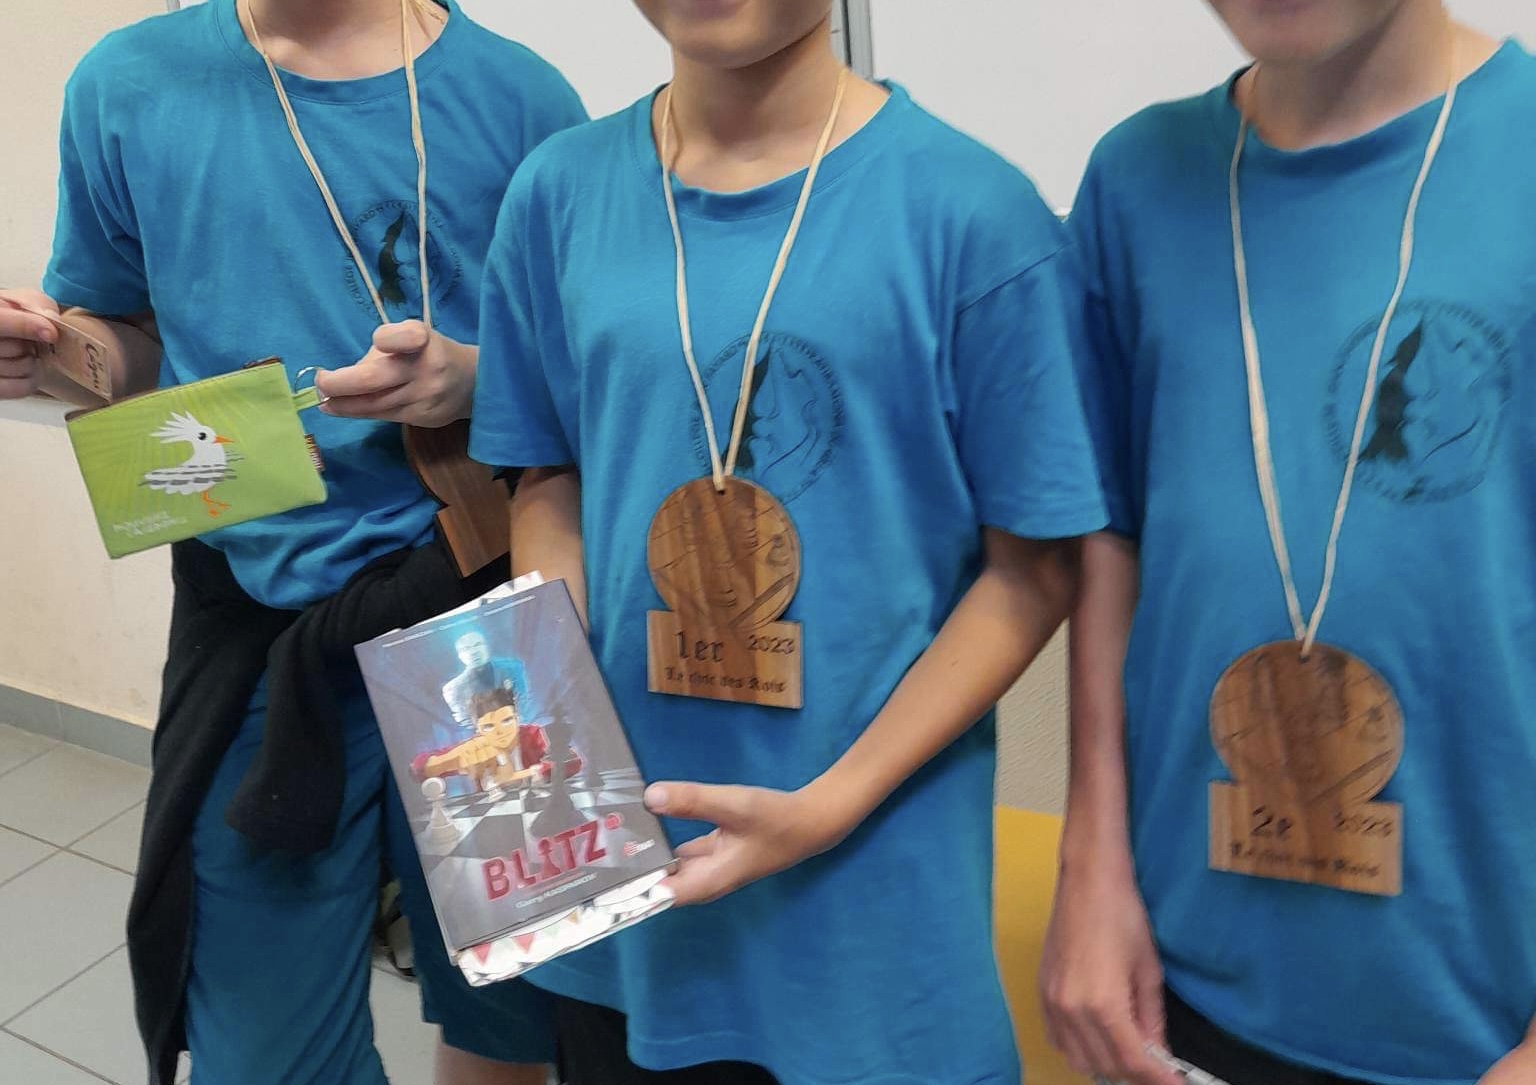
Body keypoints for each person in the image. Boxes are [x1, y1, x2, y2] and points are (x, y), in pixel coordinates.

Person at [469, 1, 1108, 1081]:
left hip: (870, 891)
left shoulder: (974, 214)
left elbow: (1032, 570)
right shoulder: (558, 192)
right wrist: (551, 715)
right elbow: (548, 476)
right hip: (631, 879)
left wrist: (829, 805)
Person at [0, 1, 586, 1082]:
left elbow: (586, 367)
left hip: (485, 605)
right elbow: (122, 343)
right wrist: (48, 355)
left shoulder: (519, 98)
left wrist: (468, 378)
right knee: (262, 1050)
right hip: (258, 625)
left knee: (517, 1011)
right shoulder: (129, 83)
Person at [1040, 3, 1536, 1084]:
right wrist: (1092, 861)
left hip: (1490, 1014)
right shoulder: (1136, 183)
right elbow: (1110, 543)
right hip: (1188, 988)